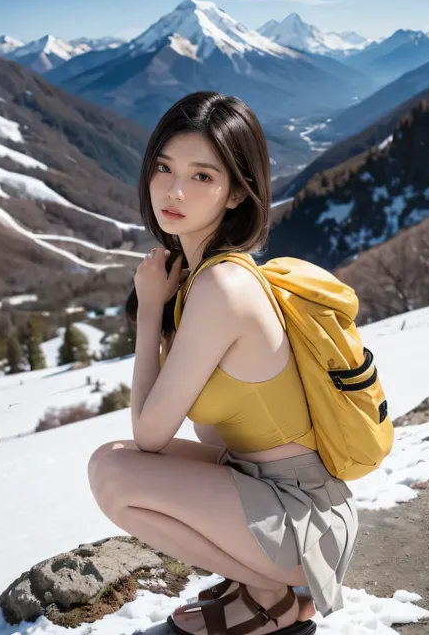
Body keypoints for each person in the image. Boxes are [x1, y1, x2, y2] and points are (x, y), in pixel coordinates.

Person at [87, 91, 358, 635]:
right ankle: (258, 585)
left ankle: (270, 596)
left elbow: (150, 435)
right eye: (164, 167)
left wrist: (149, 314)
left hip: (301, 519)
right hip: (274, 497)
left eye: (203, 177)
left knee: (115, 470)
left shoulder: (221, 285)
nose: (174, 189)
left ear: (237, 194)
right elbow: (213, 438)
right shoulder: (201, 277)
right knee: (114, 464)